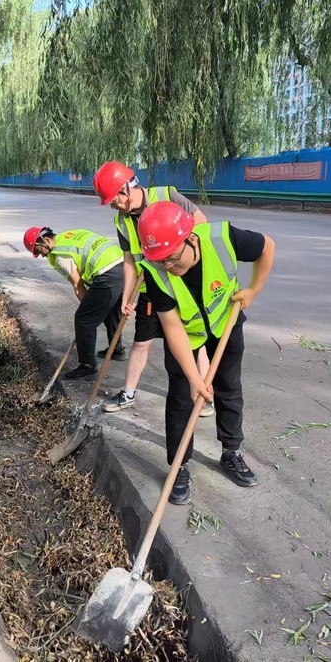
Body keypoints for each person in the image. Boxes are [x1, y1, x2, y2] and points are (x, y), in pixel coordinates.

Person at [136, 200, 275, 503]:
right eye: (161, 261)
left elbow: (267, 247)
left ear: (190, 238)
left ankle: (231, 452)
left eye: (172, 257)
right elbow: (172, 328)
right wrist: (195, 378)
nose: (168, 267)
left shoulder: (223, 237)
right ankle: (179, 466)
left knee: (228, 387)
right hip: (186, 332)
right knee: (182, 397)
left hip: (226, 322)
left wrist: (253, 290)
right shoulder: (155, 271)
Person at [91, 160, 213, 418]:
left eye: (114, 199)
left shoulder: (167, 196)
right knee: (141, 341)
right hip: (150, 287)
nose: (113, 205)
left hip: (183, 283)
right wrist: (127, 297)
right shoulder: (122, 220)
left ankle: (203, 395)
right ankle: (128, 394)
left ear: (126, 188)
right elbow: (128, 260)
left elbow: (202, 226)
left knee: (196, 342)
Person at [23, 226, 128, 379]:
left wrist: (87, 309)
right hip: (123, 265)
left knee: (84, 319)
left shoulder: (60, 255)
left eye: (38, 251)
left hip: (108, 273)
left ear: (45, 241)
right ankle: (116, 349)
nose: (40, 255)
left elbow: (78, 285)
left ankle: (87, 367)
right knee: (110, 311)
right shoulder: (67, 236)